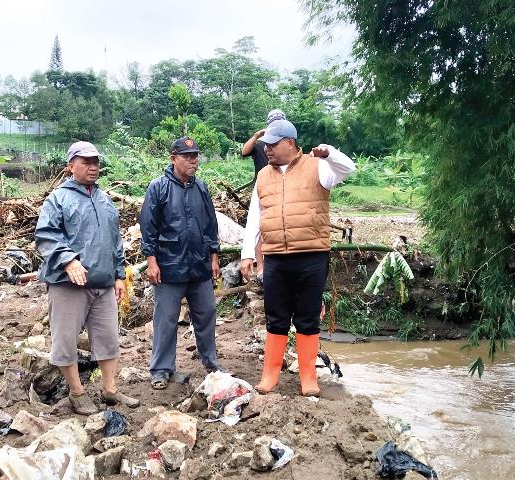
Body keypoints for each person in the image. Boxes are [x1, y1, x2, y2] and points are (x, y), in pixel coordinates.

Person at [240, 120, 355, 397]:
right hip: (277, 257)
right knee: (276, 317)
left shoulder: (317, 167)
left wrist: (329, 153)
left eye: (273, 144)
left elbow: (348, 168)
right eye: (265, 144)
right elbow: (255, 217)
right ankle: (270, 375)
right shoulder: (263, 176)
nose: (266, 149)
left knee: (307, 318)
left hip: (311, 256)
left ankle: (308, 378)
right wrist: (247, 254)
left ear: (290, 143)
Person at [35, 141, 139, 415]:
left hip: (103, 283)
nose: (93, 166)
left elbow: (114, 241)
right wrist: (68, 260)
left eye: (95, 162)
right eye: (85, 162)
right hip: (68, 284)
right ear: (71, 166)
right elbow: (46, 234)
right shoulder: (58, 199)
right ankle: (77, 392)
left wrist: (119, 275)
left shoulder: (104, 200)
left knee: (108, 339)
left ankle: (110, 390)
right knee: (66, 338)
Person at [139, 137, 224, 390]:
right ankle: (161, 369)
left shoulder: (201, 188)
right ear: (173, 158)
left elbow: (210, 225)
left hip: (198, 266)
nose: (193, 161)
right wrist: (151, 261)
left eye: (195, 156)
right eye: (187, 156)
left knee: (207, 313)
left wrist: (214, 257)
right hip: (169, 266)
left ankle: (210, 362)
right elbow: (148, 228)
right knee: (165, 319)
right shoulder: (159, 188)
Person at [240, 109, 287, 276]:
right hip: (263, 186)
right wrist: (256, 136)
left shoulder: (287, 141)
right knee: (260, 226)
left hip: (284, 185)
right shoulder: (260, 144)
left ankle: (279, 266)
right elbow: (244, 151)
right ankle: (260, 267)